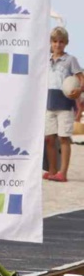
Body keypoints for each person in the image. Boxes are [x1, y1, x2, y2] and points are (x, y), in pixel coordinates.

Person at [44, 26, 84, 182]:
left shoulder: (70, 60)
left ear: (66, 43)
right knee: (49, 139)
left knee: (63, 139)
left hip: (65, 106)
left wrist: (80, 90)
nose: (57, 45)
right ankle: (52, 170)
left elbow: (81, 79)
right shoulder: (45, 59)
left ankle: (62, 173)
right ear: (51, 42)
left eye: (61, 42)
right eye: (55, 41)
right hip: (49, 104)